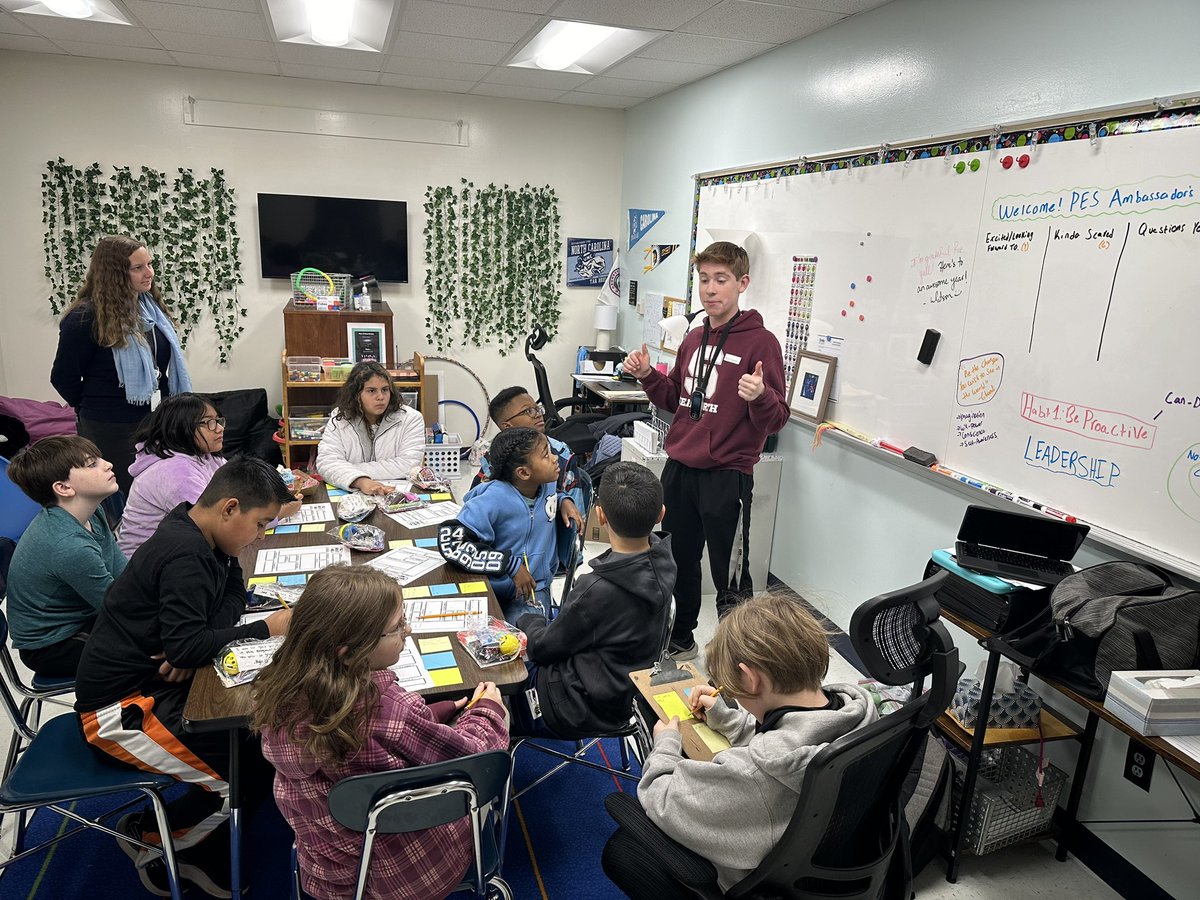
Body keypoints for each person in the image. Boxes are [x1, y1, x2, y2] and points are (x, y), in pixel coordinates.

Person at [75, 456, 293, 897]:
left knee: (257, 745)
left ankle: (185, 828)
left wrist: (198, 643)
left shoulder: (199, 530)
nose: (260, 536)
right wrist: (263, 629)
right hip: (118, 712)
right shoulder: (186, 552)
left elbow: (231, 595)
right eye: (260, 524)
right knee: (243, 772)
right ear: (230, 508)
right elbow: (188, 645)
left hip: (157, 685)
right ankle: (161, 848)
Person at [253, 565, 509, 900]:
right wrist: (487, 710)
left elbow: (381, 740)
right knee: (499, 727)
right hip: (408, 872)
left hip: (328, 871)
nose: (408, 629)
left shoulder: (278, 699)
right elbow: (476, 758)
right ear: (350, 650)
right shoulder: (390, 710)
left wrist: (432, 715)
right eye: (397, 626)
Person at [602, 593, 879, 897]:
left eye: (732, 688)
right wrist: (729, 720)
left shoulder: (752, 775)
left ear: (749, 678)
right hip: (831, 860)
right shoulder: (861, 714)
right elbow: (795, 731)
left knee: (622, 851)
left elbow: (665, 802)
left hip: (762, 883)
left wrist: (665, 744)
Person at [624, 241, 790, 659]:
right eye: (703, 280)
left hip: (727, 474)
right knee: (677, 559)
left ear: (742, 283)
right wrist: (647, 375)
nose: (710, 289)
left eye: (721, 280)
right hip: (680, 467)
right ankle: (682, 638)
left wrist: (760, 396)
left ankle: (738, 656)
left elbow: (776, 419)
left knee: (728, 572)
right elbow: (675, 398)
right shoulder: (694, 337)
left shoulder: (762, 343)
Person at [514, 461, 676, 738]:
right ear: (661, 514)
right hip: (628, 697)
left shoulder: (596, 589)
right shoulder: (665, 560)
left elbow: (543, 649)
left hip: (577, 706)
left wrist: (529, 620)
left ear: (600, 516)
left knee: (498, 686)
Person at [50, 235, 192, 500]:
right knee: (125, 498)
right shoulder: (85, 316)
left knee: (159, 492)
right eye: (137, 268)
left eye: (149, 264)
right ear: (114, 273)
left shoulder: (149, 308)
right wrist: (94, 404)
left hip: (155, 420)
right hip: (108, 425)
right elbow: (62, 377)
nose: (149, 273)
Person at [118, 392, 301, 557]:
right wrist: (277, 513)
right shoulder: (175, 472)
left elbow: (240, 490)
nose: (220, 428)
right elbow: (219, 526)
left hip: (183, 553)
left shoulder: (207, 456)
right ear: (181, 427)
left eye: (218, 421)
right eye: (209, 423)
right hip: (151, 566)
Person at [5, 436, 125, 677]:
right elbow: (120, 608)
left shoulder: (93, 513)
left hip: (85, 617)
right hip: (53, 645)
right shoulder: (68, 545)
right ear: (63, 488)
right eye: (92, 464)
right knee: (164, 653)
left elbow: (123, 573)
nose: (108, 464)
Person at [437, 427, 579, 623]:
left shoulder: (547, 484)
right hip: (492, 588)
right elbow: (451, 543)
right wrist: (509, 565)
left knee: (527, 635)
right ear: (524, 472)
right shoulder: (493, 498)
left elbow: (543, 502)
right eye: (546, 455)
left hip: (534, 589)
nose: (555, 459)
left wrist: (564, 500)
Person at [474, 386, 588, 534]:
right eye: (528, 411)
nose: (538, 414)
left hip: (548, 537)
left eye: (537, 408)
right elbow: (477, 505)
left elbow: (576, 521)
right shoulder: (494, 457)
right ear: (507, 426)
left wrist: (563, 500)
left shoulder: (561, 455)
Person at [316, 361, 425, 496]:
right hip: (351, 493)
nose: (380, 397)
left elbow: (408, 465)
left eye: (385, 390)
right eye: (371, 391)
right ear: (356, 394)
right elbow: (326, 462)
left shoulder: (411, 418)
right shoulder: (340, 418)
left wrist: (349, 469)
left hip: (396, 493)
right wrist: (361, 481)